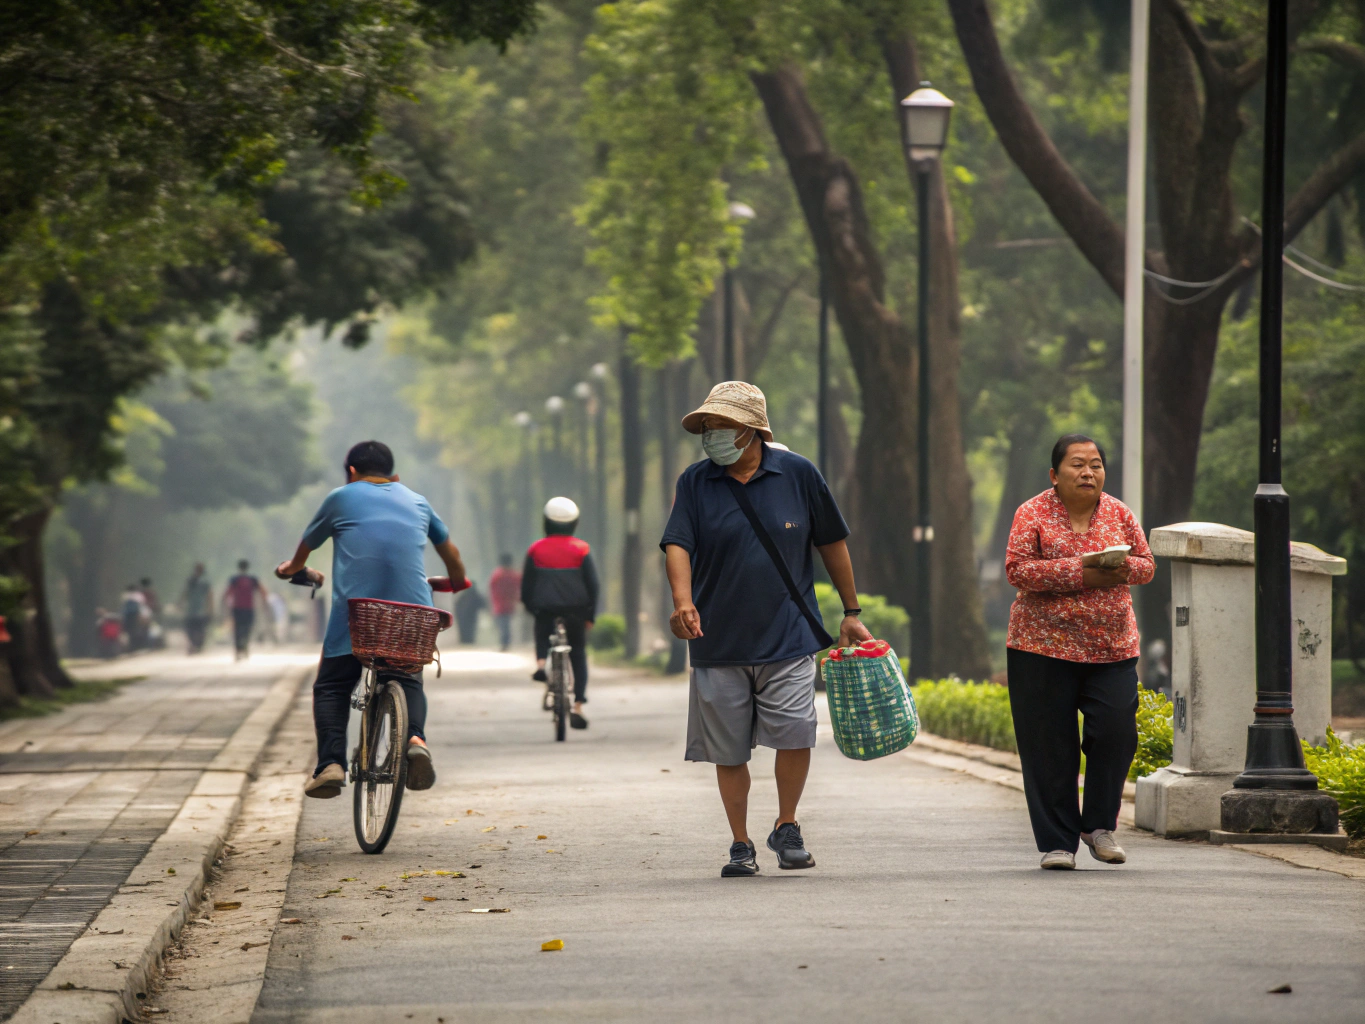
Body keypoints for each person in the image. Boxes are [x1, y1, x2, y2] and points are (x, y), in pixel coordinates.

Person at [662, 381, 871, 878]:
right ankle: (740, 843)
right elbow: (677, 544)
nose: (711, 434)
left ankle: (787, 825)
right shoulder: (695, 482)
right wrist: (683, 602)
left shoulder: (798, 474)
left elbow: (832, 543)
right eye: (707, 427)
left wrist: (851, 610)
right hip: (718, 639)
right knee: (728, 748)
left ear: (751, 430)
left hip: (789, 633)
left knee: (797, 733)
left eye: (722, 426)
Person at [275, 440, 467, 799]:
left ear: (351, 472)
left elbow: (304, 550)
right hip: (412, 614)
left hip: (359, 614)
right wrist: (456, 580)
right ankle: (415, 739)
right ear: (394, 475)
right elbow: (450, 551)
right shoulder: (417, 500)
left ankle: (330, 764)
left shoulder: (340, 497)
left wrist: (291, 569)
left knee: (331, 687)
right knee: (409, 678)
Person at [1004, 433, 1155, 871]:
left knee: (1116, 734)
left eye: (1095, 464)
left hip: (1111, 648)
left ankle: (1098, 826)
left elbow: (1146, 565)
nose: (1088, 472)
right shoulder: (1031, 512)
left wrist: (1120, 565)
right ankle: (1057, 842)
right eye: (1077, 464)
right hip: (1040, 647)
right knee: (1049, 746)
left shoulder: (1119, 513)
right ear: (1055, 474)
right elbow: (1018, 569)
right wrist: (1085, 572)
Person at [522, 497, 598, 729]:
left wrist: (530, 607)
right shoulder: (582, 549)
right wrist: (590, 615)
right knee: (578, 653)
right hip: (576, 610)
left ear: (546, 522)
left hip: (545, 609)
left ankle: (541, 663)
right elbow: (593, 584)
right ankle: (578, 705)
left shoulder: (536, 549)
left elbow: (527, 585)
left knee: (543, 629)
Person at [223, 561, 268, 660]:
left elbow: (227, 593)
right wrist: (264, 604)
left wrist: (225, 606)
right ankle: (245, 646)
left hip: (237, 608)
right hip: (249, 608)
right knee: (247, 628)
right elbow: (263, 591)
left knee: (237, 630)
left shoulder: (234, 579)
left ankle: (238, 649)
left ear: (239, 568)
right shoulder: (253, 579)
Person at [488, 553, 522, 651]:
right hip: (510, 603)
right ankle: (507, 641)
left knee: (503, 623)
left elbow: (491, 589)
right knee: (507, 623)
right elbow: (519, 587)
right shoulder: (514, 575)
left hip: (499, 603)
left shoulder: (496, 575)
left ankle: (505, 642)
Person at [181, 564, 213, 654]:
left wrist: (180, 603)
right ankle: (195, 645)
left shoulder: (201, 582)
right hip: (196, 610)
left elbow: (185, 593)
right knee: (196, 629)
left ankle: (195, 645)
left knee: (194, 629)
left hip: (195, 610)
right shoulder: (193, 581)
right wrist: (210, 609)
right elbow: (210, 596)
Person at [119, 583, 148, 651]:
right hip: (136, 615)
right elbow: (142, 605)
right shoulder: (139, 596)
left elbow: (123, 605)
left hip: (127, 615)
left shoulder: (125, 595)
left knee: (126, 630)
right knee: (137, 630)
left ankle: (128, 647)